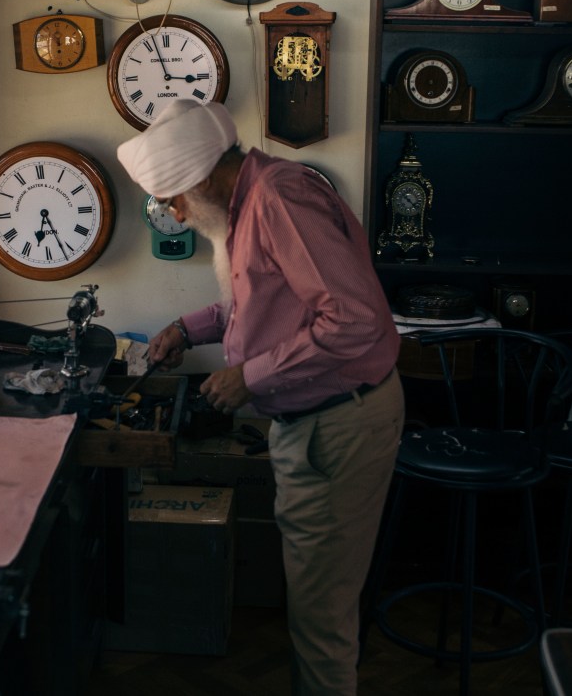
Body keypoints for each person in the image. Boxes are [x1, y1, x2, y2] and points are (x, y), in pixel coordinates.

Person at [117, 98, 405, 696]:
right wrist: (188, 328)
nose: (172, 210)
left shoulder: (279, 199)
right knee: (315, 601)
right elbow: (268, 305)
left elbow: (352, 321)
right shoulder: (250, 200)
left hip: (337, 423)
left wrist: (249, 377)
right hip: (319, 419)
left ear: (199, 178)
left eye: (171, 196)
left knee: (321, 615)